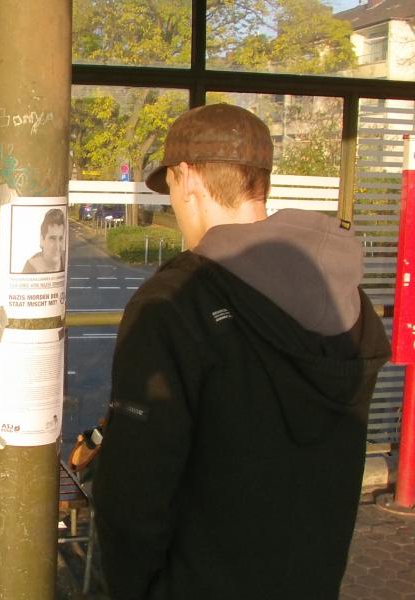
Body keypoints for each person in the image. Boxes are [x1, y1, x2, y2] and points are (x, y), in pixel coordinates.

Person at [92, 103, 391, 599]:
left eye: (169, 187)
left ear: (186, 177)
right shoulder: (347, 296)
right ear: (261, 183)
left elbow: (134, 489)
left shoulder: (173, 302)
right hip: (311, 579)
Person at [22, 208, 66, 273]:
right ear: (42, 240)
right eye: (52, 239)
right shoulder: (31, 267)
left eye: (60, 239)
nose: (57, 247)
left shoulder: (66, 258)